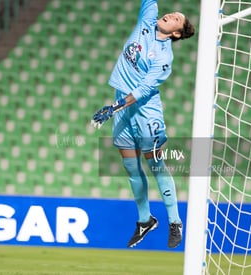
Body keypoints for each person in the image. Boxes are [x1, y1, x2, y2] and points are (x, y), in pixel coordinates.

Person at [91, 0, 195, 249]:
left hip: (145, 112)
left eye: (177, 19)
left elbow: (144, 89)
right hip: (123, 106)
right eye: (173, 13)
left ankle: (175, 221)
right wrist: (117, 106)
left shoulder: (164, 58)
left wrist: (114, 108)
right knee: (130, 166)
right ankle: (145, 220)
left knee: (156, 165)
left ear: (177, 33)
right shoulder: (147, 19)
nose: (171, 15)